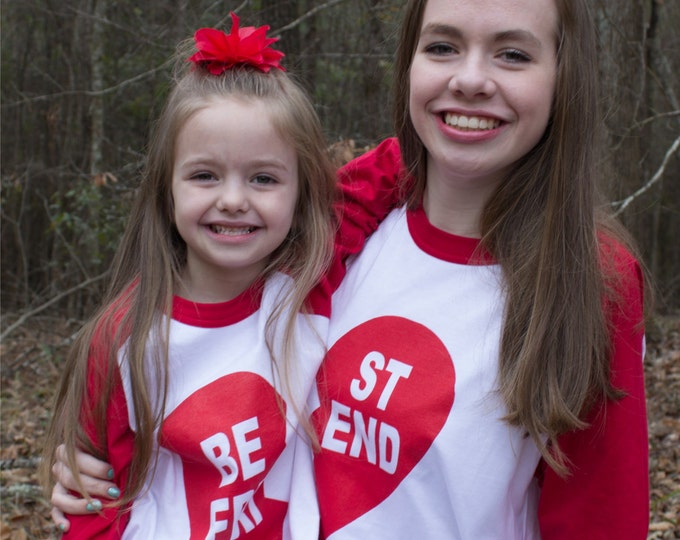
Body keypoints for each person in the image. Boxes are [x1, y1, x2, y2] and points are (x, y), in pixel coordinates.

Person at [50, 0, 651, 538]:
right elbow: (195, 329)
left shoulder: (591, 282)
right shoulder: (326, 240)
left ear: (564, 77)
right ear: (409, 65)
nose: (469, 79)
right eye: (441, 47)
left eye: (513, 54)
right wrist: (106, 478)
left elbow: (601, 518)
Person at [41, 12, 344, 538]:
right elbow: (93, 509)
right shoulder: (124, 338)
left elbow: (396, 168)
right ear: (167, 189)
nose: (232, 200)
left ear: (302, 197)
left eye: (264, 178)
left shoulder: (307, 293)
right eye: (205, 175)